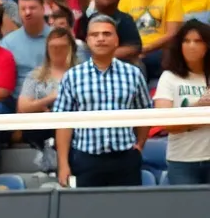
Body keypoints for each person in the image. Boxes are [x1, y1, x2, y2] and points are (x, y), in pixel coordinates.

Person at [53, 16, 151, 188]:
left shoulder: (133, 74)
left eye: (107, 34)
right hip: (86, 159)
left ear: (116, 40)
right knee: (88, 213)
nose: (100, 38)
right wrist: (63, 164)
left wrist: (139, 145)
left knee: (128, 212)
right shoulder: (73, 76)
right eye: (94, 34)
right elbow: (63, 123)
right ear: (87, 41)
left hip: (125, 159)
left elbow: (146, 113)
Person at [152, 20, 210, 185]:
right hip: (182, 160)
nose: (191, 46)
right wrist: (201, 108)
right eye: (186, 41)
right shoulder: (169, 77)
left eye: (198, 41)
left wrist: (189, 119)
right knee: (188, 210)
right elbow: (167, 124)